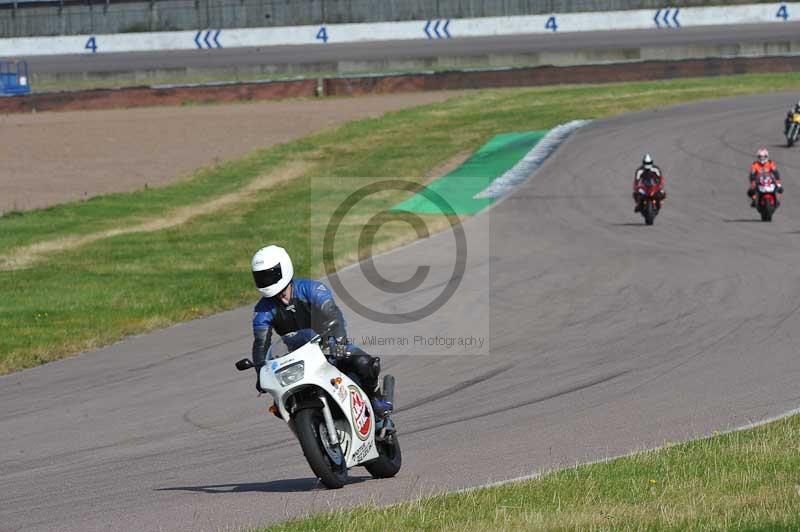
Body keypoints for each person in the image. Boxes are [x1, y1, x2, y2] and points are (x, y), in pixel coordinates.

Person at [249, 244, 393, 418]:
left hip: (329, 344)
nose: (266, 281)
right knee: (281, 405)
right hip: (296, 356)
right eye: (261, 277)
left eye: (270, 275)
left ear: (283, 268)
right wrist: (260, 373)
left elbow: (333, 314)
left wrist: (339, 341)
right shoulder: (262, 310)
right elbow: (260, 344)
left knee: (364, 363)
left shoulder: (311, 288)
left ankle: (375, 398)